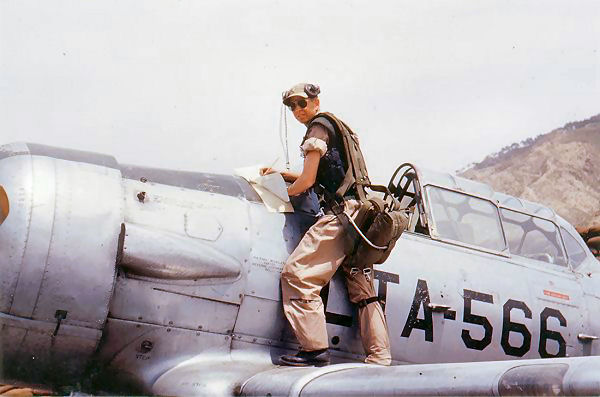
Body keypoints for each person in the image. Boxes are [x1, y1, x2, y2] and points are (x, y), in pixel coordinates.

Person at [261, 83, 392, 367]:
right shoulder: (337, 127)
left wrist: (279, 189)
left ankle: (314, 350)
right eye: (291, 106)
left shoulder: (317, 129)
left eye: (301, 104)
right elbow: (320, 174)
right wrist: (283, 173)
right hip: (361, 216)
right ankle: (380, 358)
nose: (297, 110)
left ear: (315, 102)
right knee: (363, 290)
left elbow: (307, 182)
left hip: (342, 215)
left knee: (298, 274)